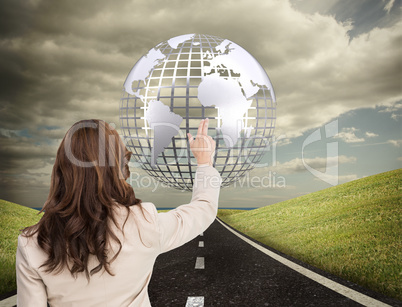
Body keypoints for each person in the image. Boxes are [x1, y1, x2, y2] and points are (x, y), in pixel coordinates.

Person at [16, 118, 220, 306]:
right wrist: (204, 163)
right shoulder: (145, 221)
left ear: (61, 170)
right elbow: (203, 209)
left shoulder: (31, 243)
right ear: (117, 169)